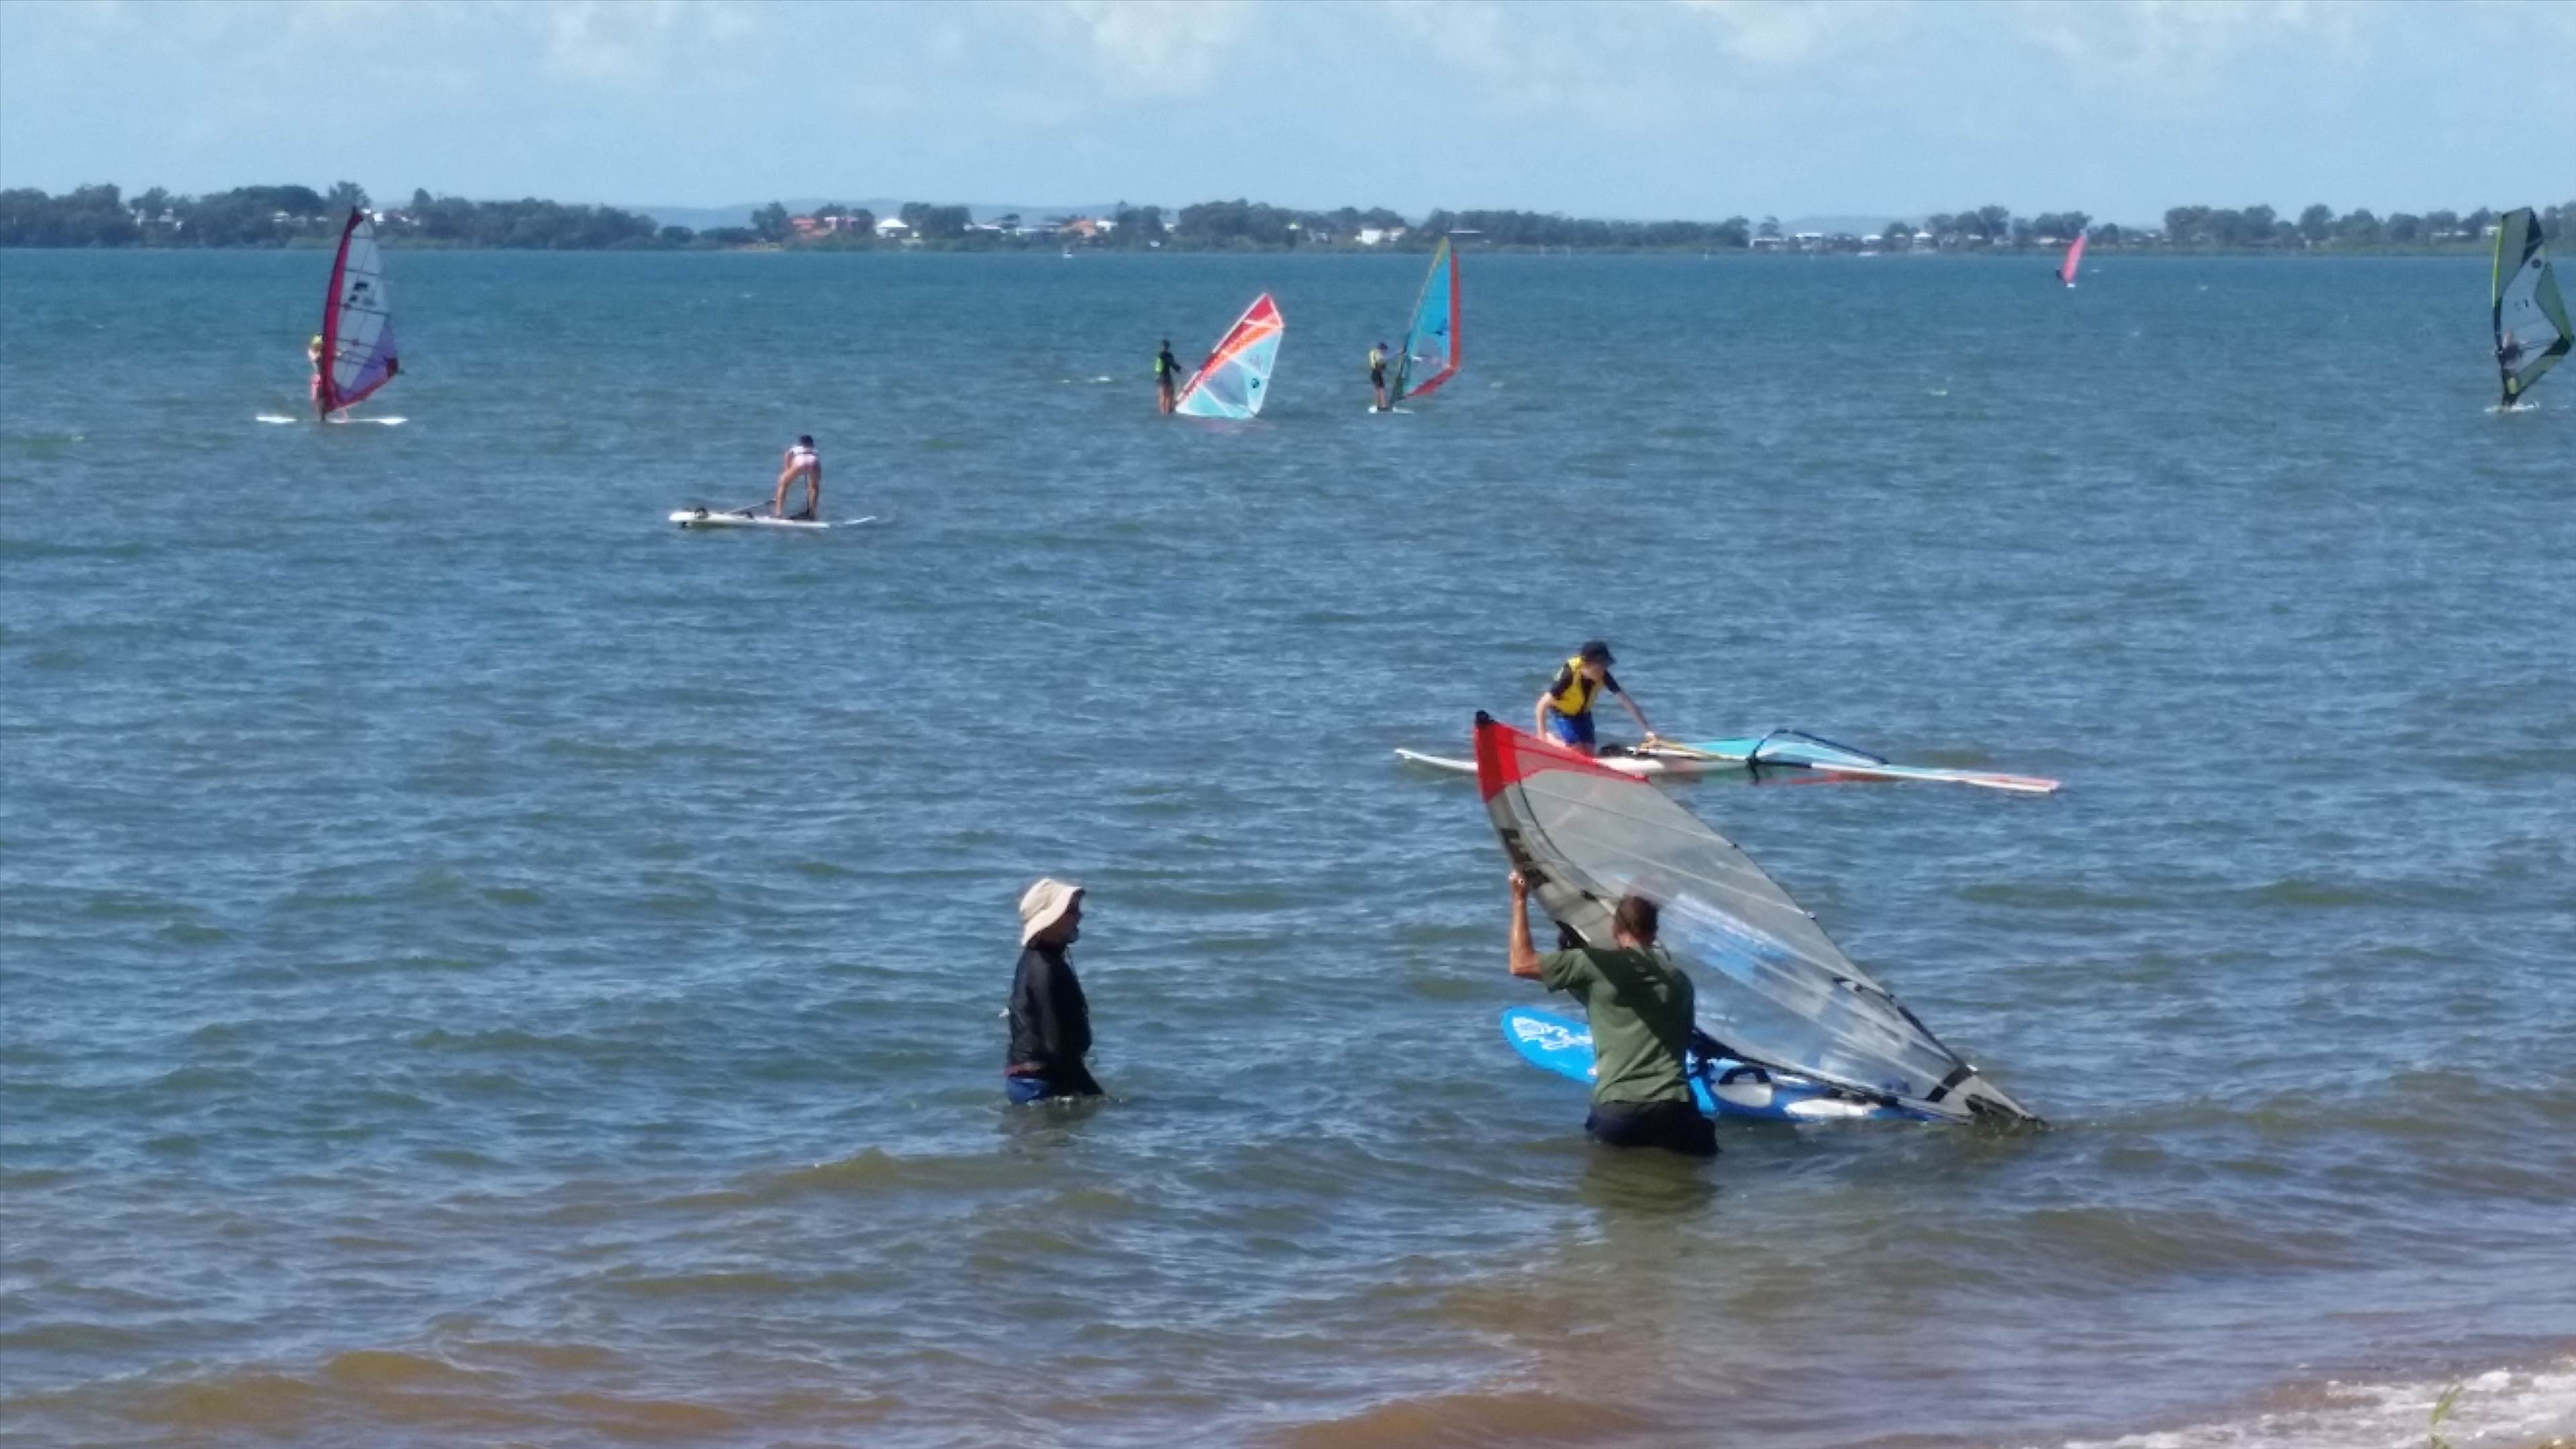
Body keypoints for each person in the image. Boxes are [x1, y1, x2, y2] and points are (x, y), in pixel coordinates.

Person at [1507, 873, 1715, 1158]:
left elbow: (1520, 964)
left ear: (1616, 928)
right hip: (1674, 1108)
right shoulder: (1680, 981)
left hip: (1617, 1112)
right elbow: (1683, 1038)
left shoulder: (1594, 966)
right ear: (1655, 932)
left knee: (1606, 1174)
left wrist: (1519, 899)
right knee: (1698, 1172)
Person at [1005, 878, 1102, 1103]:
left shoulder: (1040, 960)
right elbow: (1055, 1045)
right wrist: (1092, 1092)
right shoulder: (1045, 969)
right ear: (1051, 920)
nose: (1079, 916)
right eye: (1071, 911)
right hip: (1039, 1084)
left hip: (1034, 1079)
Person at [1534, 640, 1654, 757]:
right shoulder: (1568, 676)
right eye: (1599, 666)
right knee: (1577, 754)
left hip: (1583, 713)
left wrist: (1647, 730)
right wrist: (1542, 736)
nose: (1602, 670)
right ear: (1586, 664)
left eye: (1605, 665)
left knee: (1589, 754)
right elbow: (1542, 704)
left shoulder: (1604, 676)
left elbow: (1627, 702)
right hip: (1563, 713)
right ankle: (1550, 739)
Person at [772, 435, 822, 520]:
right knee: (814, 487)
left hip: (800, 462)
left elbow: (787, 457)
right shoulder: (815, 450)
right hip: (814, 462)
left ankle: (778, 513)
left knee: (783, 483)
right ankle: (812, 514)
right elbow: (818, 467)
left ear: (800, 443)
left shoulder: (795, 448)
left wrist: (787, 472)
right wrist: (815, 481)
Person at [1155, 338, 1182, 414]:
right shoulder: (1169, 355)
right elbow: (1173, 364)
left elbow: (1158, 369)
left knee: (1163, 396)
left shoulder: (1160, 356)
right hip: (1167, 377)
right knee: (1168, 396)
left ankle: (1164, 413)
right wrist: (1179, 369)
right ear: (1168, 347)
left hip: (1162, 377)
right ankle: (1167, 412)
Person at [307, 333, 327, 417]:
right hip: (318, 376)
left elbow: (335, 355)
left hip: (326, 376)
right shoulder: (312, 352)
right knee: (315, 398)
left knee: (333, 395)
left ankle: (345, 416)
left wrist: (342, 353)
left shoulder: (325, 351)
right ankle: (321, 416)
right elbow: (314, 359)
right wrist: (319, 354)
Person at [1368, 340, 1390, 411]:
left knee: (1381, 390)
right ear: (1381, 349)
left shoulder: (1376, 354)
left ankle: (1382, 406)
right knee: (1379, 390)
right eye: (1384, 350)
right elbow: (1382, 361)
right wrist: (1397, 353)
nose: (1385, 352)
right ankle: (1380, 406)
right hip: (1376, 374)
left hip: (1377, 374)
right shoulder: (1378, 354)